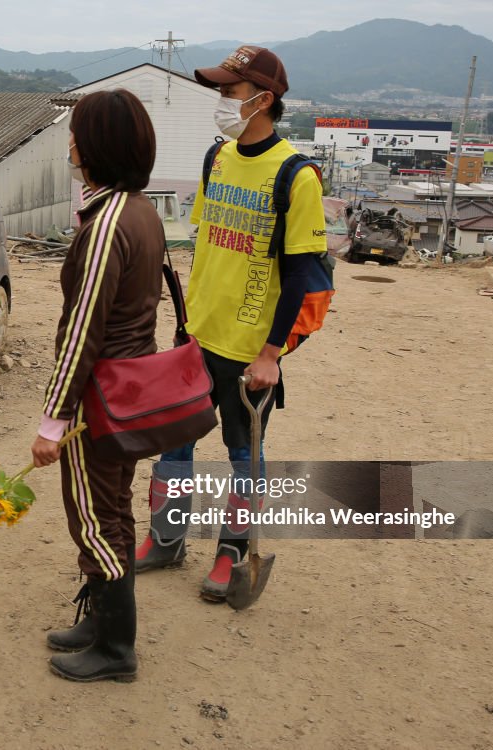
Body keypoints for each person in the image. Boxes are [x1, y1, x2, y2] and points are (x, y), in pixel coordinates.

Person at [133, 46, 327, 602]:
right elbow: (210, 245)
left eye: (229, 91)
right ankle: (166, 539)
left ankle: (231, 551)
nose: (221, 100)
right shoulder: (216, 159)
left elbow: (298, 276)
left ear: (263, 100)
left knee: (244, 456)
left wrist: (270, 354)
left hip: (248, 352)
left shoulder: (296, 175)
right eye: (220, 90)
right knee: (175, 442)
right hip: (198, 336)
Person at [30, 90, 163, 683]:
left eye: (78, 134)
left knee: (93, 518)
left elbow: (82, 332)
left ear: (99, 145)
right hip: (129, 391)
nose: (71, 145)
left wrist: (52, 421)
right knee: (114, 508)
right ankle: (98, 620)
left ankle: (116, 647)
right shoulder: (139, 209)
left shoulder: (107, 223)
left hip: (99, 399)